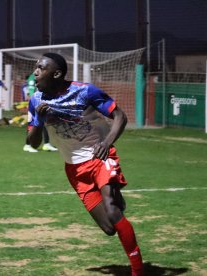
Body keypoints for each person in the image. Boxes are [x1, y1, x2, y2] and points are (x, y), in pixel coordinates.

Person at [27, 53, 143, 275]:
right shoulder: (36, 101)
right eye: (36, 67)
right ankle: (116, 204)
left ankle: (138, 271)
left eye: (41, 68)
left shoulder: (85, 91)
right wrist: (39, 122)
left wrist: (107, 143)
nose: (35, 72)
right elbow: (32, 143)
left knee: (112, 210)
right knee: (109, 228)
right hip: (74, 169)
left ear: (57, 74)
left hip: (100, 158)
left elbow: (120, 116)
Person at [22, 74, 57, 153]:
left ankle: (46, 144)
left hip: (43, 101)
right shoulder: (33, 77)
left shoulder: (46, 76)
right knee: (32, 124)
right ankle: (27, 145)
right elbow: (31, 90)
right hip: (34, 103)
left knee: (45, 123)